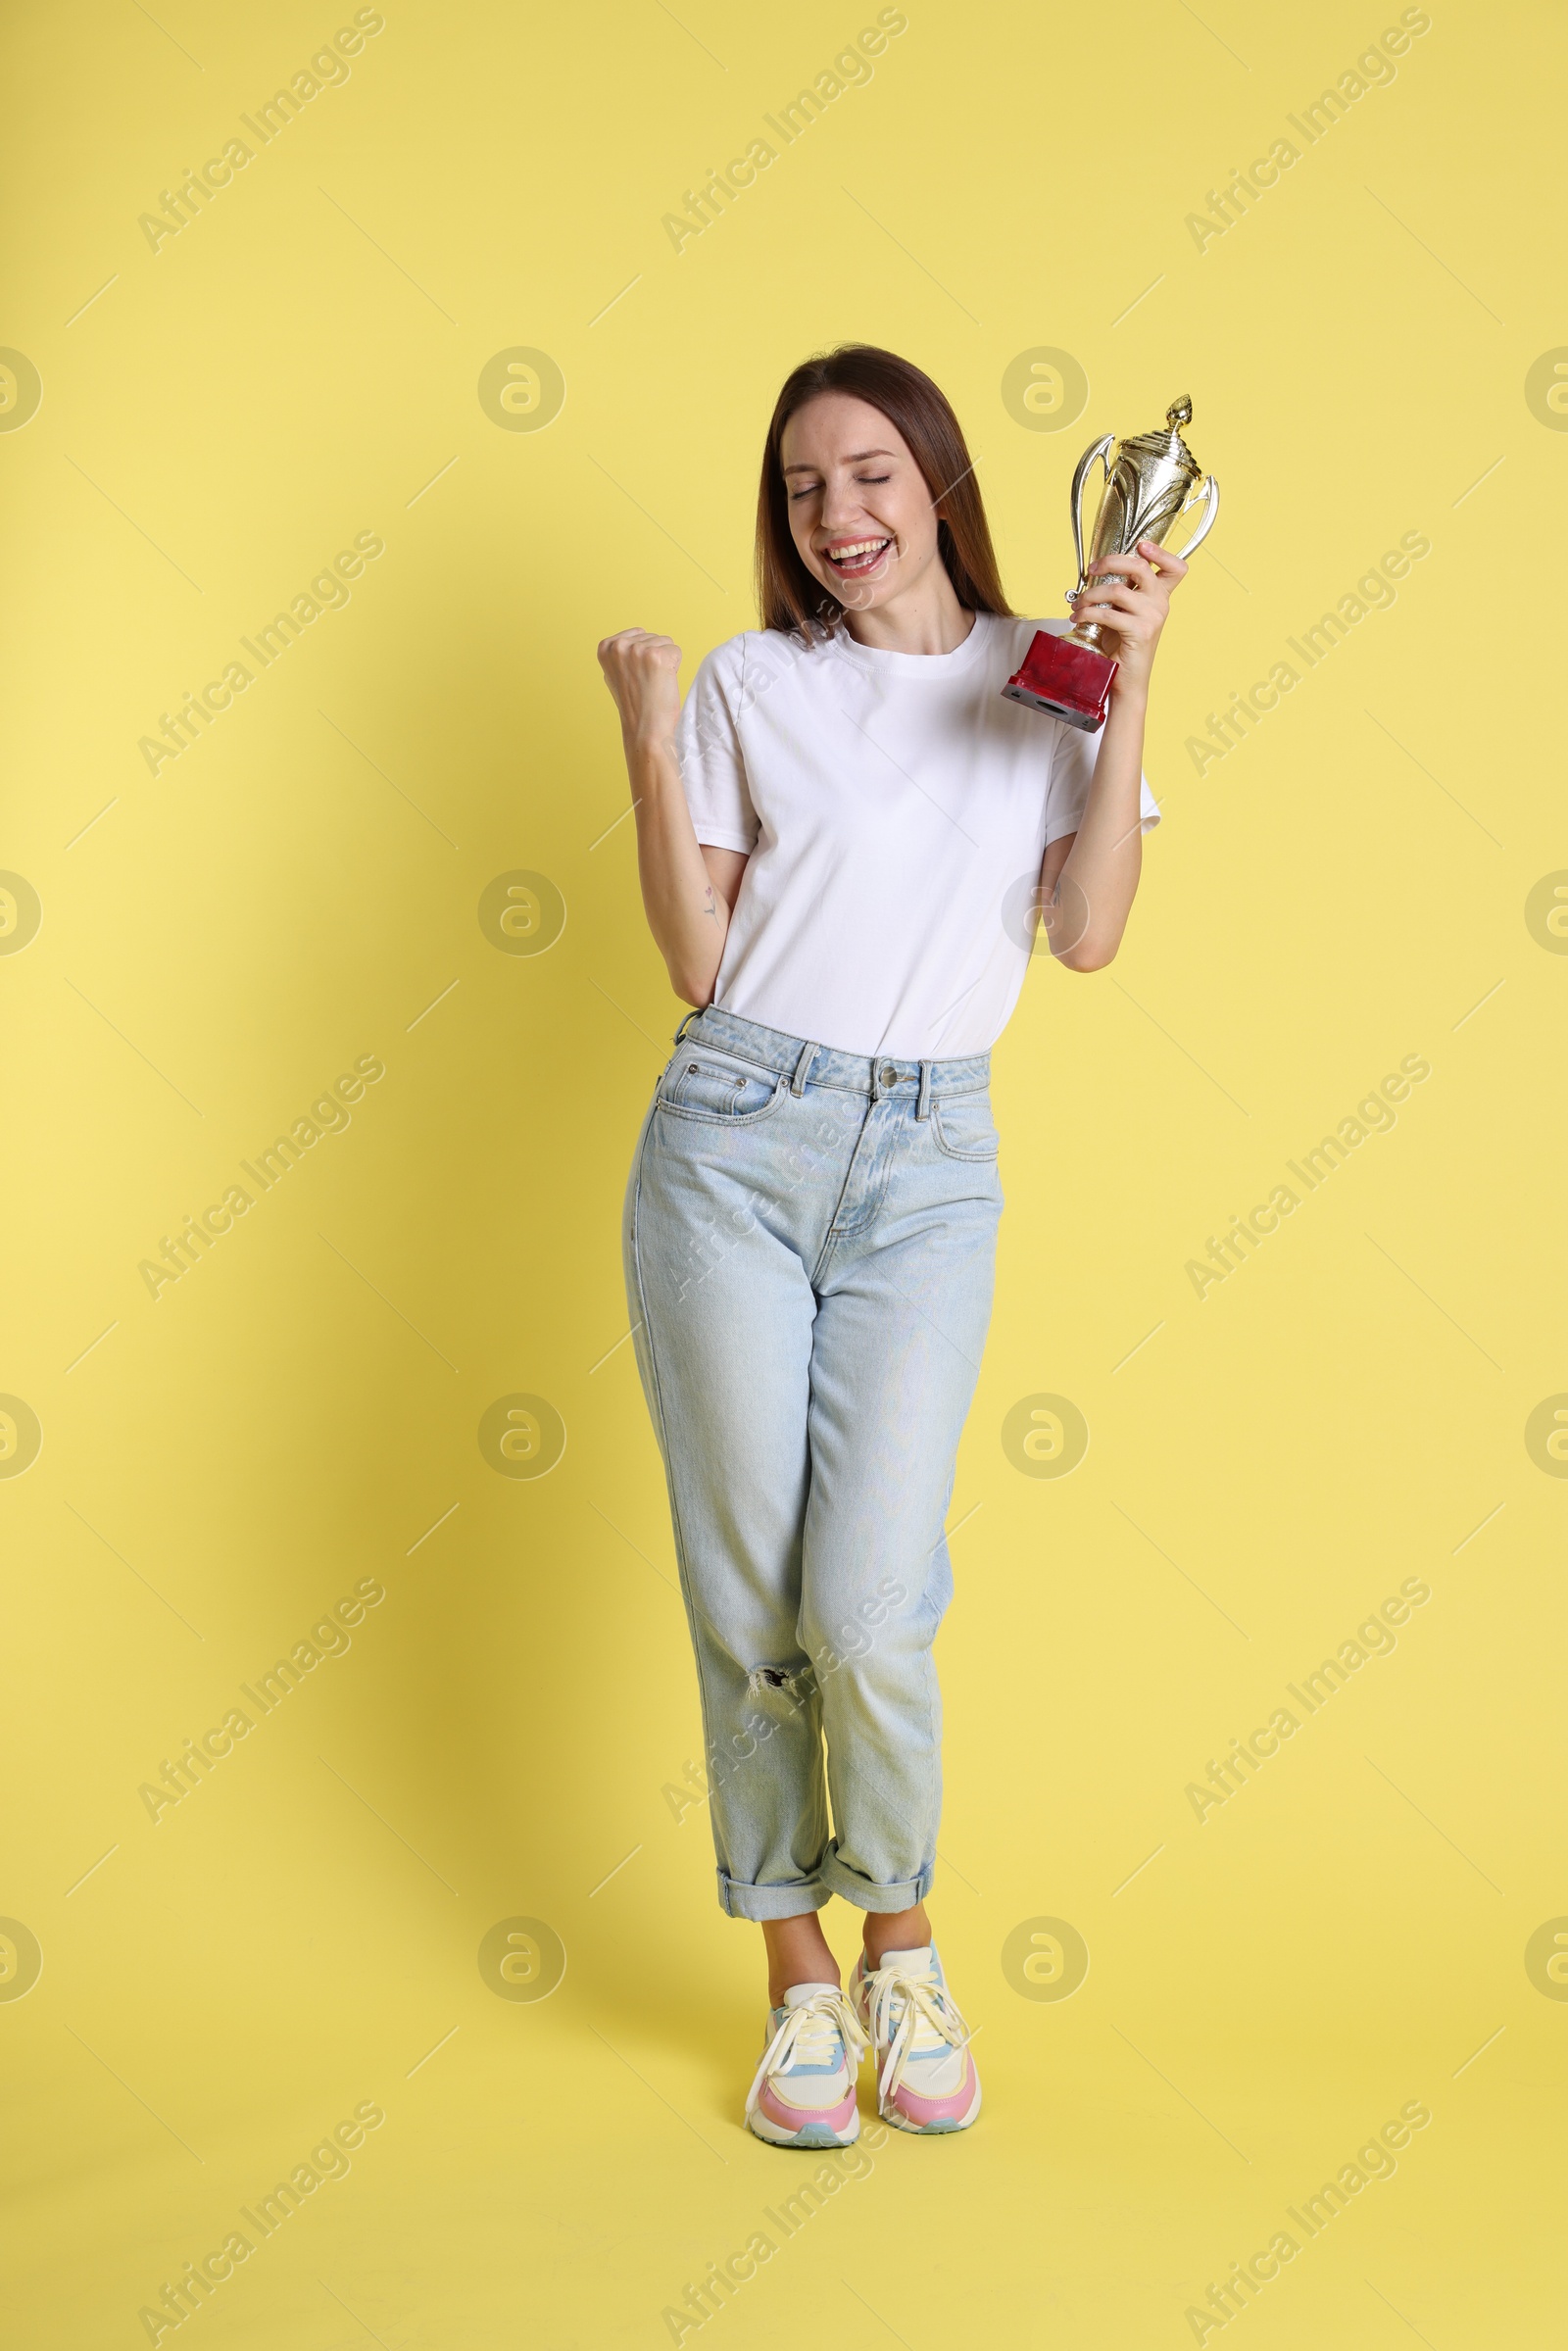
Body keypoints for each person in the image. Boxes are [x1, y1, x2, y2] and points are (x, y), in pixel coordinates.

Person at [597, 344, 1185, 2145]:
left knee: (866, 1600)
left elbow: (1083, 936)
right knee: (747, 1590)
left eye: (866, 476)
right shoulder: (758, 686)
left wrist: (1137, 676)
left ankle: (904, 1949)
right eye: (799, 490)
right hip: (730, 1146)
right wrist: (641, 723)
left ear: (936, 480)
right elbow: (698, 964)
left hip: (931, 1161)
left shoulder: (1044, 675)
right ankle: (796, 1985)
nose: (835, 516)